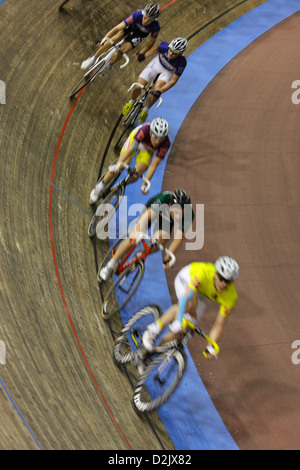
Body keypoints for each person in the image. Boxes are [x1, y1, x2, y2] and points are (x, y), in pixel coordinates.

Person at [142, 256, 239, 358]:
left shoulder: (231, 297)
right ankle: (153, 330)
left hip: (201, 294)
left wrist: (210, 346)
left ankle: (150, 353)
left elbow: (218, 325)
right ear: (215, 273)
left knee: (184, 329)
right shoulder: (203, 272)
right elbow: (185, 298)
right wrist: (179, 319)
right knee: (190, 306)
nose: (224, 284)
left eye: (228, 281)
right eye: (221, 278)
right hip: (187, 279)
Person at [98, 188, 194, 281]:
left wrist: (168, 257)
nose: (178, 217)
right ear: (170, 205)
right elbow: (146, 217)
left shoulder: (189, 214)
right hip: (152, 211)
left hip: (166, 221)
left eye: (181, 214)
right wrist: (137, 233)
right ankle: (110, 265)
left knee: (161, 241)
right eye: (176, 212)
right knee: (134, 238)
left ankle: (142, 253)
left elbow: (178, 238)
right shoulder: (163, 199)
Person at [89, 117, 170, 205]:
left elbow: (154, 165)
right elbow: (132, 148)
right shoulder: (144, 131)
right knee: (121, 165)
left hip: (147, 150)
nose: (158, 141)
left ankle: (120, 187)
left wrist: (144, 184)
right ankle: (100, 187)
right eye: (156, 137)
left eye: (161, 139)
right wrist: (117, 165)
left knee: (136, 175)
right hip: (135, 142)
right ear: (150, 132)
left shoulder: (166, 144)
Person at [122, 37, 188, 123]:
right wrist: (143, 56)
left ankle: (146, 109)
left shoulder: (182, 62)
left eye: (175, 53)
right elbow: (154, 51)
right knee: (137, 88)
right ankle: (132, 101)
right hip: (156, 64)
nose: (171, 53)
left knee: (156, 92)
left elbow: (173, 81)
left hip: (167, 72)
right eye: (171, 49)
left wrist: (160, 91)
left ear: (180, 54)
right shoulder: (164, 46)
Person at [81, 3, 161, 73]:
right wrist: (104, 39)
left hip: (139, 35)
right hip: (130, 27)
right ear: (144, 13)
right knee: (114, 38)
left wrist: (141, 53)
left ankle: (109, 66)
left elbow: (151, 42)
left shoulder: (156, 27)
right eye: (145, 17)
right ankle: (93, 58)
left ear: (154, 20)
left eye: (149, 20)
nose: (146, 21)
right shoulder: (137, 15)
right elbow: (117, 28)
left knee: (123, 50)